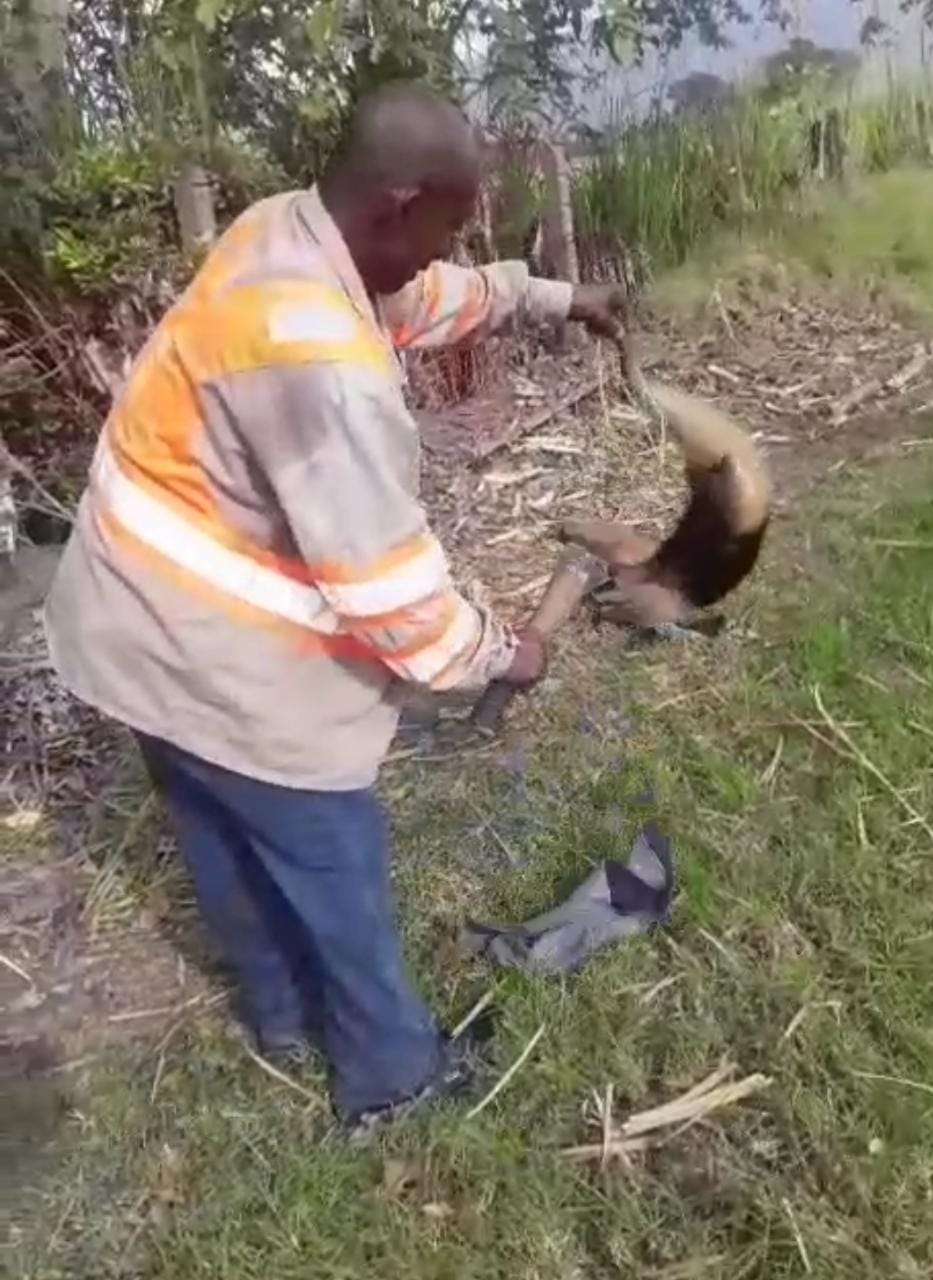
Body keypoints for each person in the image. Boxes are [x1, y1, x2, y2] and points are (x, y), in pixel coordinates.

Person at [43, 81, 626, 1132]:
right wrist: (503, 653)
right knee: (331, 865)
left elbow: (414, 296)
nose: (450, 247)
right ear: (400, 205)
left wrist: (545, 296)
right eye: (449, 224)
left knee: (218, 834)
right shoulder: (325, 373)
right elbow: (393, 600)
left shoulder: (285, 231)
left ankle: (278, 1016)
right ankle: (392, 1082)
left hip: (125, 622)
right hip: (211, 657)